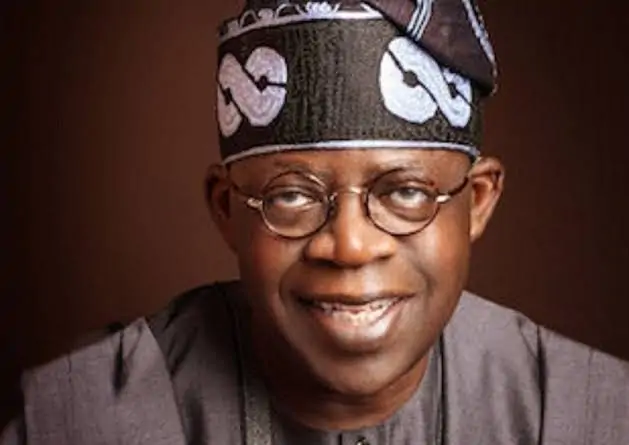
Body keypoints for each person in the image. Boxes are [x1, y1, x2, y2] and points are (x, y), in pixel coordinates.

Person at [3, 0, 629, 443]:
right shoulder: (89, 419)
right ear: (227, 209)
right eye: (291, 197)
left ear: (479, 201)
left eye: (406, 192)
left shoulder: (588, 417)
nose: (350, 245)